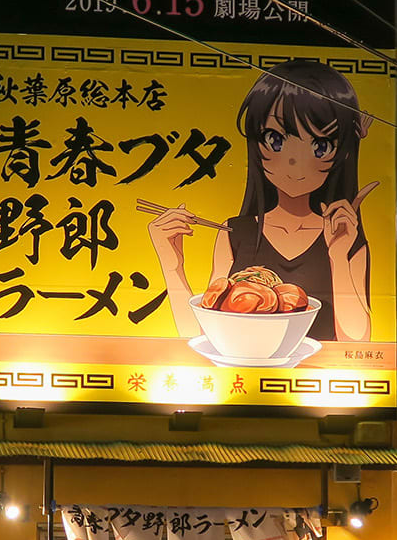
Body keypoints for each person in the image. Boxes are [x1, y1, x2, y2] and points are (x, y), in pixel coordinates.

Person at [147, 60, 377, 344]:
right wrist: (172, 265)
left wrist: (338, 258)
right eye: (275, 139)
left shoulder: (346, 236)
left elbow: (357, 343)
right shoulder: (235, 233)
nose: (295, 162)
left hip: (318, 381)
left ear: (341, 153)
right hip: (238, 378)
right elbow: (204, 336)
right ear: (255, 143)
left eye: (320, 146)